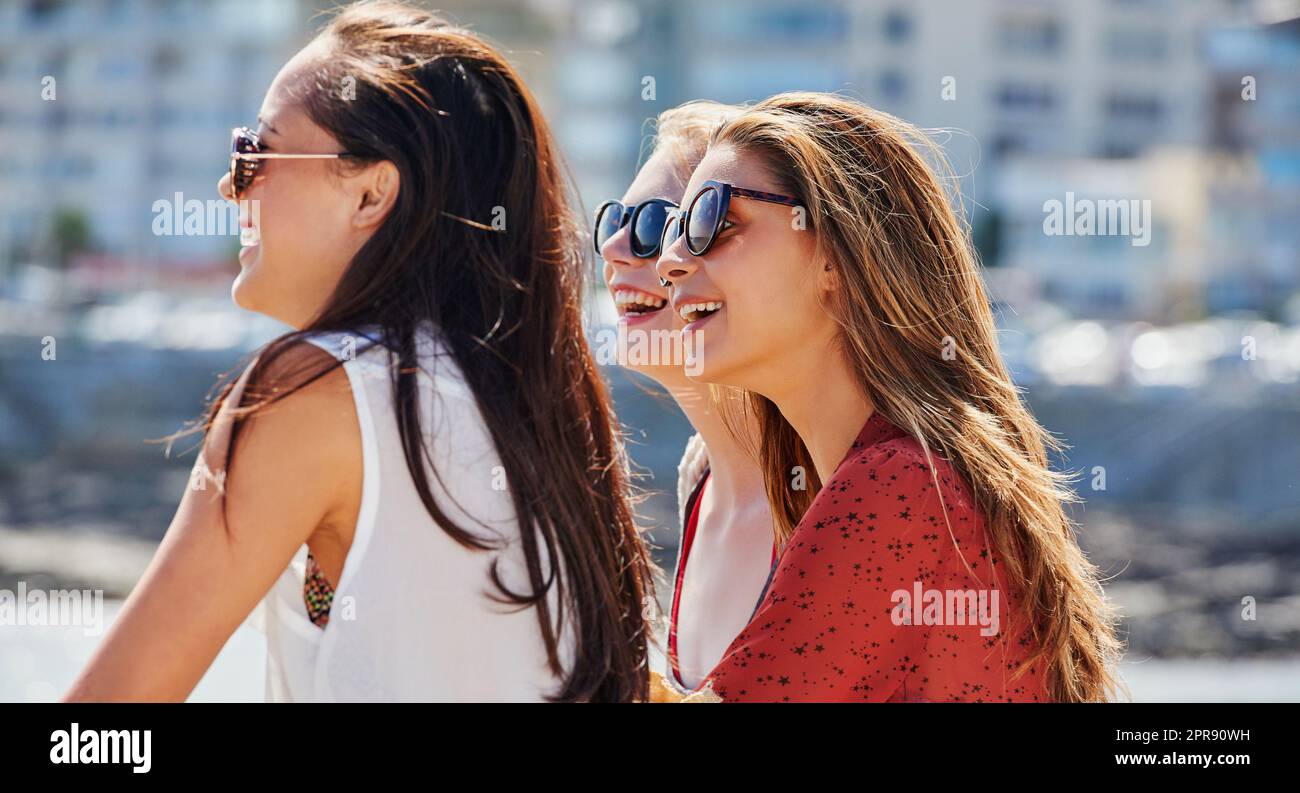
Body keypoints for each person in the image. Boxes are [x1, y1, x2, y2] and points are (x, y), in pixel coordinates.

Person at [63, 0, 654, 703]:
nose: (230, 184)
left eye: (255, 150)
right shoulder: (540, 418)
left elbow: (104, 717)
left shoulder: (314, 387)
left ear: (372, 192)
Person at [655, 92, 1122, 702]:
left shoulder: (900, 485)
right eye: (671, 228)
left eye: (712, 220)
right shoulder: (905, 474)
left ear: (836, 255)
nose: (668, 261)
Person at [595, 100, 774, 693]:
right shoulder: (700, 473)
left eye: (655, 224)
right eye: (614, 220)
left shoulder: (838, 484)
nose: (615, 249)